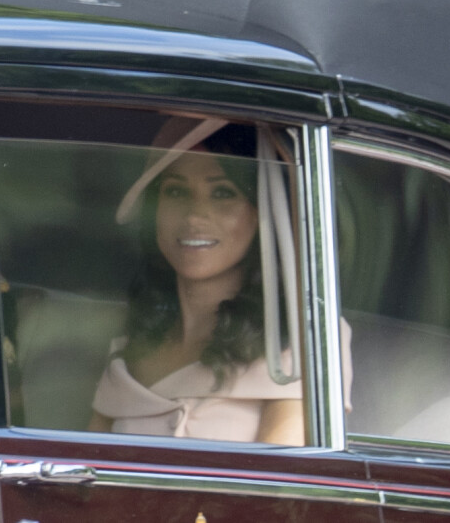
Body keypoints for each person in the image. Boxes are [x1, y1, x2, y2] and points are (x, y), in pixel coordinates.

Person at [89, 117, 351, 444]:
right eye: (176, 191)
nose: (194, 216)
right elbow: (85, 479)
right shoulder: (130, 344)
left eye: (222, 192)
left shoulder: (302, 340)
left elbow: (280, 488)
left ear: (259, 212)